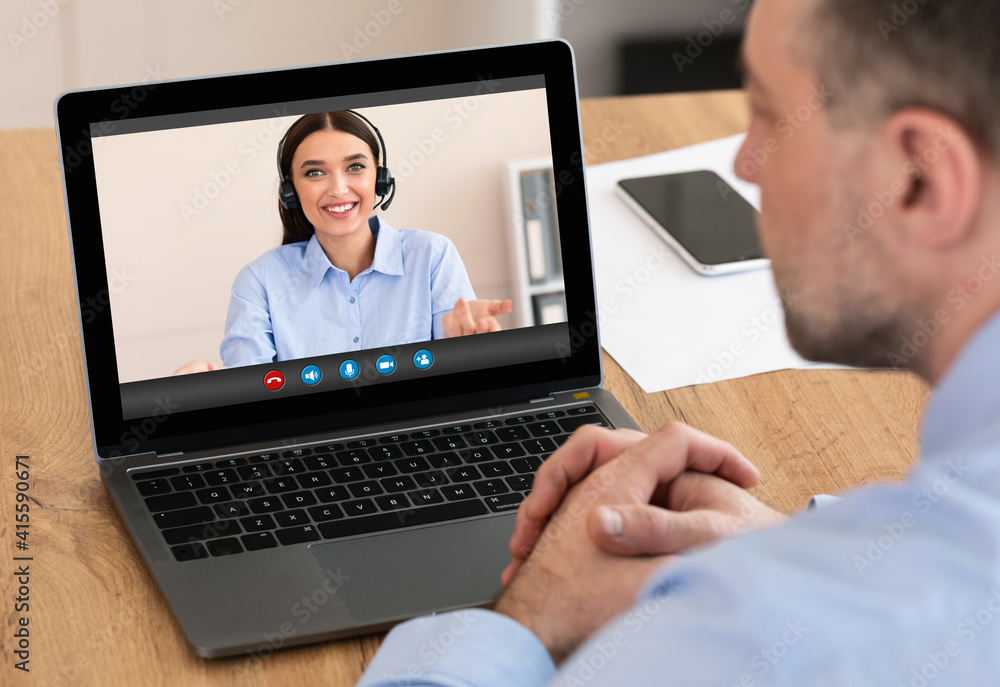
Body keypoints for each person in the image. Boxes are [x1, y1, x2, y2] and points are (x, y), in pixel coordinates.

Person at [356, 0, 1000, 683]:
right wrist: (799, 543)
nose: (745, 164)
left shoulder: (727, 644)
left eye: (770, 115)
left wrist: (532, 616)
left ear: (923, 179)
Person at [219, 111, 512, 368]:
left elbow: (463, 392)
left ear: (380, 177)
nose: (338, 188)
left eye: (355, 167)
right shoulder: (259, 283)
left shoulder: (431, 257)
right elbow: (250, 401)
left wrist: (462, 347)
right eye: (315, 172)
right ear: (291, 190)